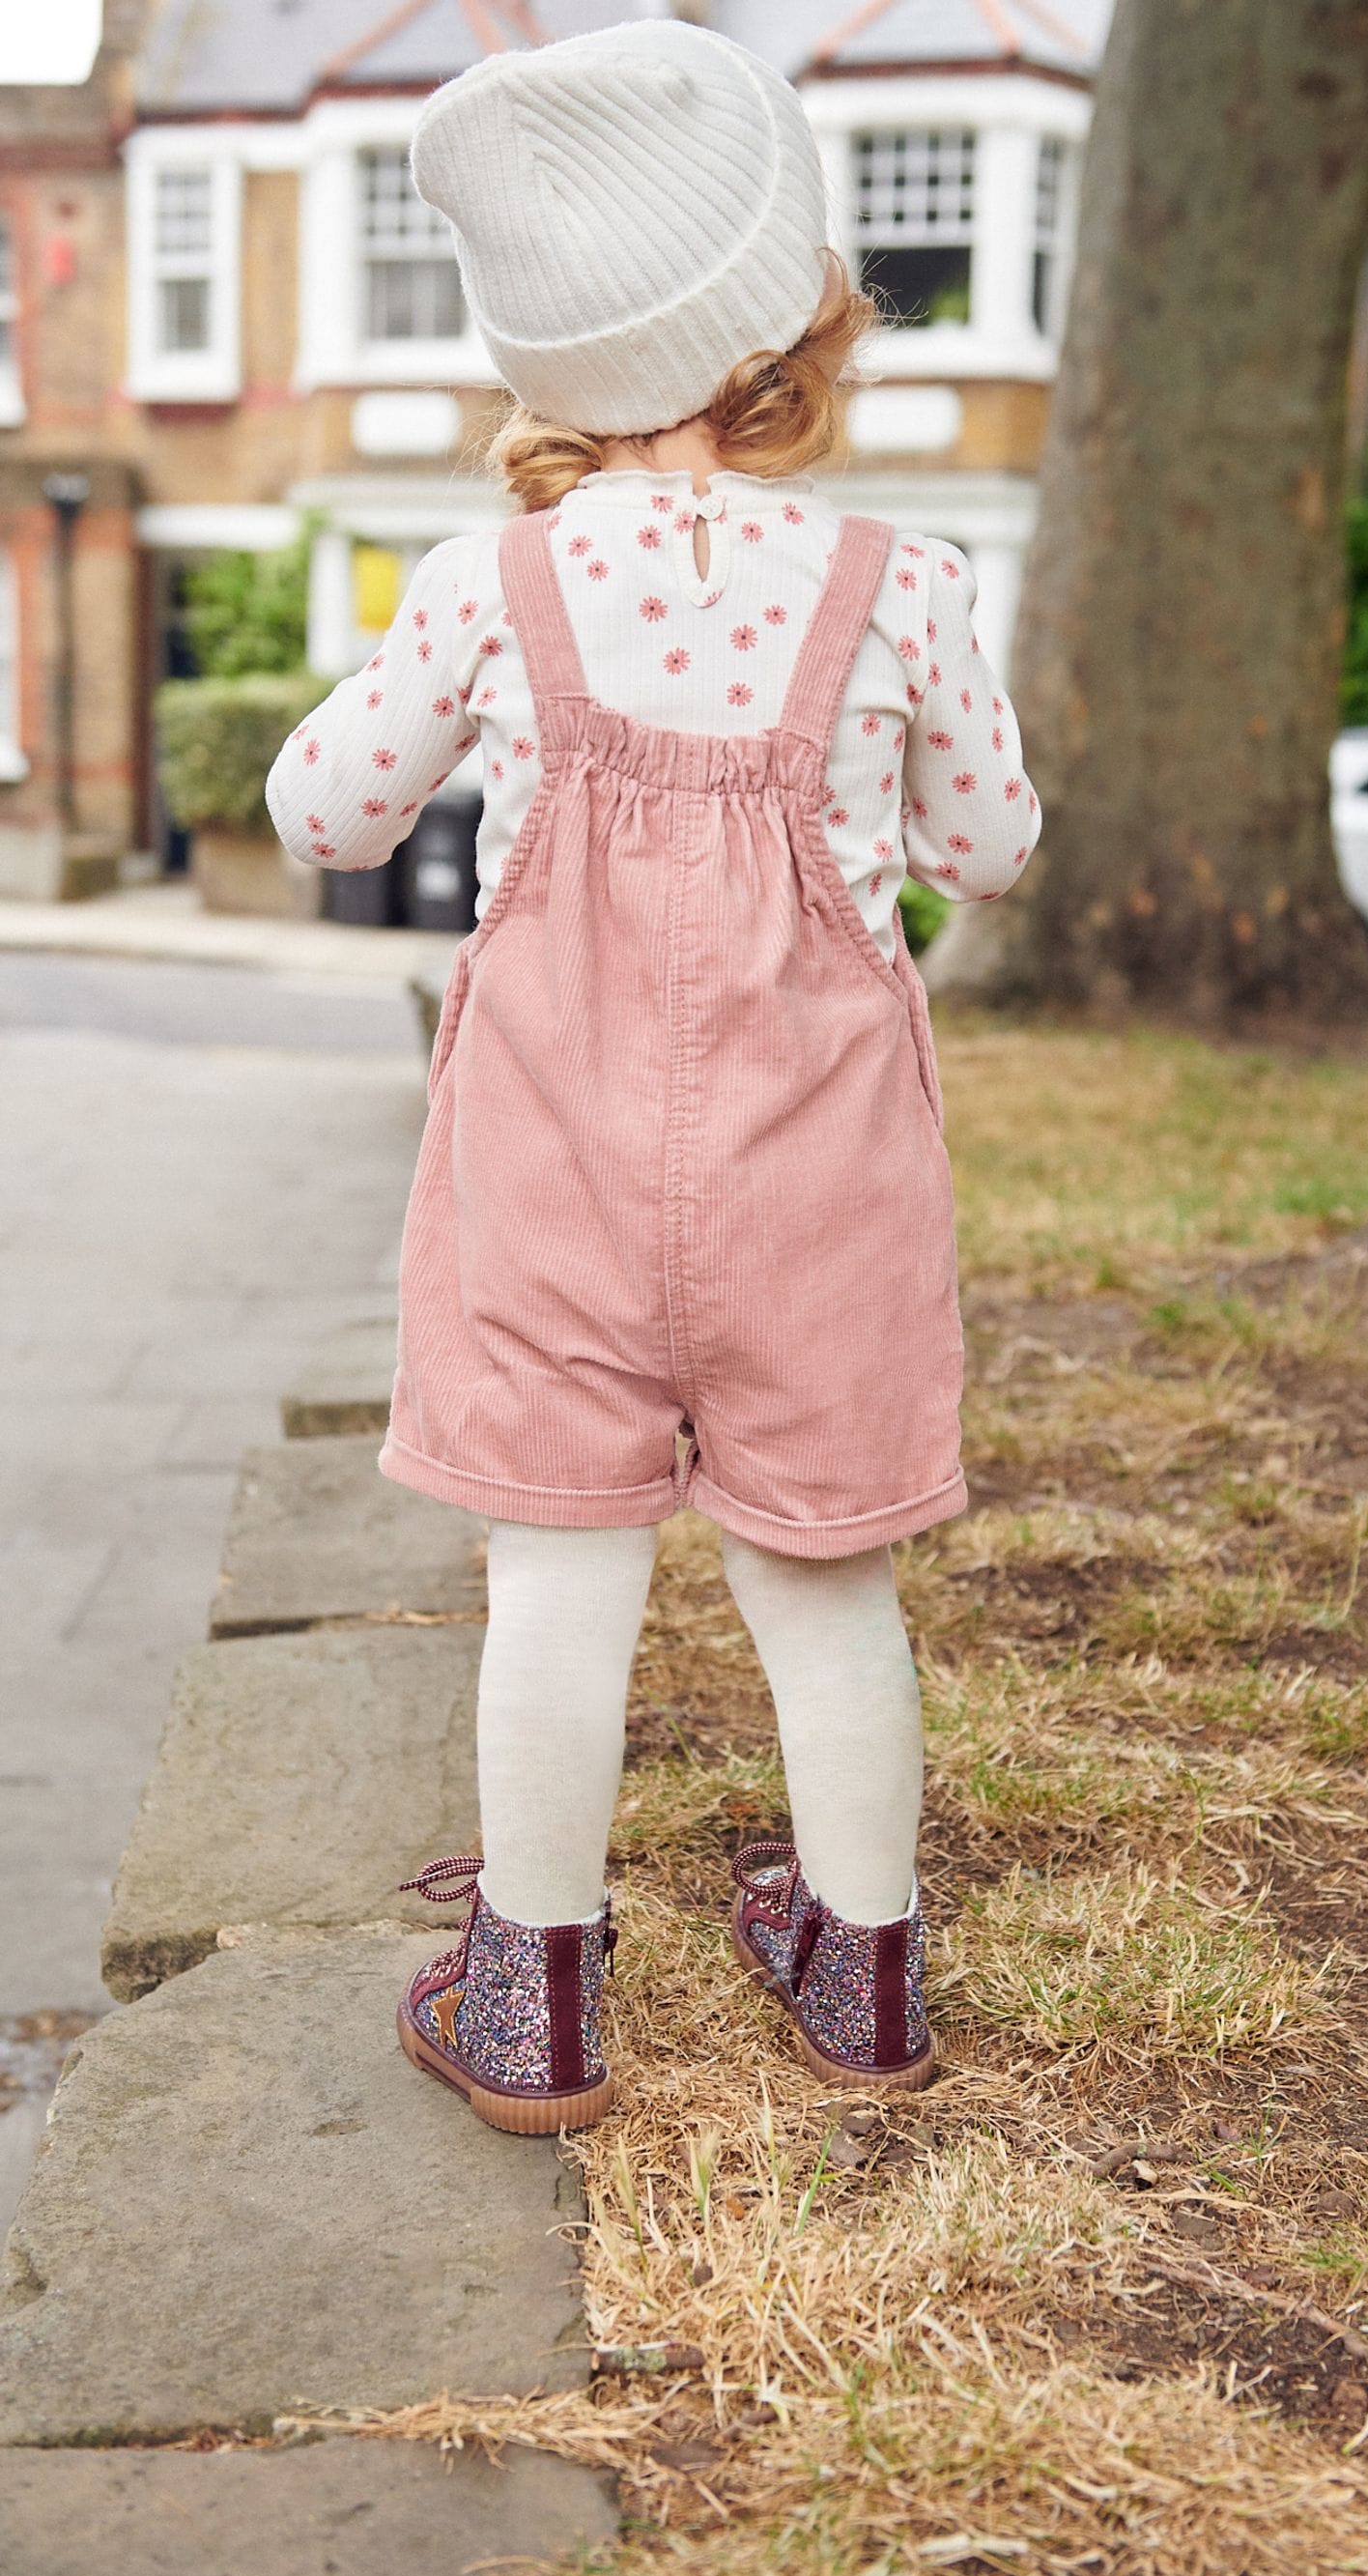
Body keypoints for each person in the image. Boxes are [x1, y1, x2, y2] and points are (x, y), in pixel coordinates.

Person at [268, 18, 1039, 2135]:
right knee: (824, 1580)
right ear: (792, 317)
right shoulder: (904, 584)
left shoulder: (491, 584)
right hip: (821, 1175)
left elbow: (324, 813)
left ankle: (534, 1993)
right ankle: (861, 1965)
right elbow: (990, 848)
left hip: (557, 1164)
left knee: (558, 1571)